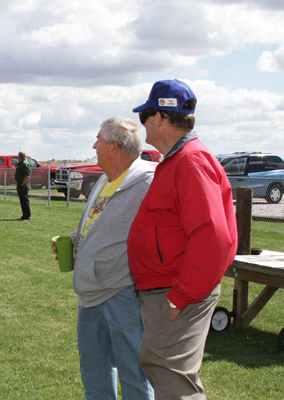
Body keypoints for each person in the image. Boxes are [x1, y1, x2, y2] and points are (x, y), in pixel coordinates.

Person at [128, 79, 238, 399]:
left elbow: (212, 238)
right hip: (169, 289)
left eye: (144, 116)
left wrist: (180, 297)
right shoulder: (178, 160)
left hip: (178, 292)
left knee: (168, 370)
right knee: (165, 370)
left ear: (160, 118)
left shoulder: (190, 161)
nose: (143, 125)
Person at [53, 117, 155, 400]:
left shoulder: (146, 183)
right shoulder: (103, 180)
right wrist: (77, 239)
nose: (93, 145)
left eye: (98, 140)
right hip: (90, 292)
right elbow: (99, 222)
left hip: (122, 292)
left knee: (133, 373)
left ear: (113, 147)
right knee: (94, 373)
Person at [15, 151, 31, 220]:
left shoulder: (24, 164)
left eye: (18, 156)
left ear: (20, 157)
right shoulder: (21, 163)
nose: (17, 158)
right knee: (22, 200)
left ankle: (27, 215)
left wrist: (22, 184)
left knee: (24, 200)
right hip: (20, 183)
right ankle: (24, 215)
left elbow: (27, 175)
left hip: (23, 184)